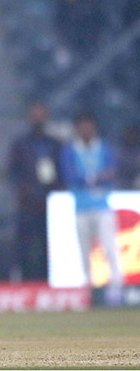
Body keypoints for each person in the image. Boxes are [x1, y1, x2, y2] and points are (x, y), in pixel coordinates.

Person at [60, 112, 123, 298]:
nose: (86, 129)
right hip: (81, 207)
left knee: (110, 247)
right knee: (84, 250)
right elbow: (70, 176)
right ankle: (87, 288)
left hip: (102, 206)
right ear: (77, 129)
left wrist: (89, 179)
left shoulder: (104, 148)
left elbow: (112, 172)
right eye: (82, 126)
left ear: (94, 127)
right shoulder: (70, 151)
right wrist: (96, 178)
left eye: (89, 125)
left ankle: (118, 287)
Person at [7, 101, 63, 281]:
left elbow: (61, 171)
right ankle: (23, 281)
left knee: (49, 246)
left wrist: (56, 192)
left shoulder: (54, 144)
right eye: (35, 113)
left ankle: (48, 281)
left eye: (41, 113)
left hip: (50, 203)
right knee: (24, 245)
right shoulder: (21, 144)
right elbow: (12, 171)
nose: (38, 117)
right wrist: (23, 189)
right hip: (27, 203)